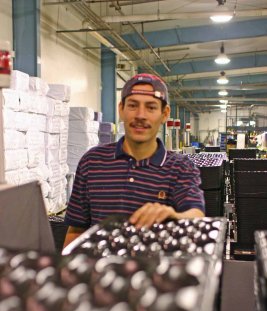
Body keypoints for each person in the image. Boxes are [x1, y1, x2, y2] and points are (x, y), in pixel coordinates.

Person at [63, 73, 205, 248]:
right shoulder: (92, 162)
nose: (140, 115)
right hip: (98, 271)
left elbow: (196, 214)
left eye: (151, 107)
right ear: (121, 109)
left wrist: (175, 216)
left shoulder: (180, 167)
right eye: (133, 105)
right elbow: (76, 229)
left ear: (164, 114)